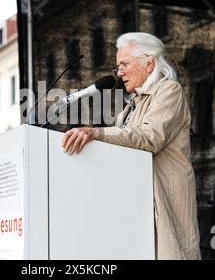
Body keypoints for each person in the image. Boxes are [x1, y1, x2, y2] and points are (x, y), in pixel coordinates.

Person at [61, 32, 201, 260]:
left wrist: (97, 133)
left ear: (149, 63)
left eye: (125, 64)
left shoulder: (169, 91)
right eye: (118, 66)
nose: (119, 72)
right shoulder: (130, 108)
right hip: (136, 212)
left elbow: (149, 137)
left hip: (163, 208)